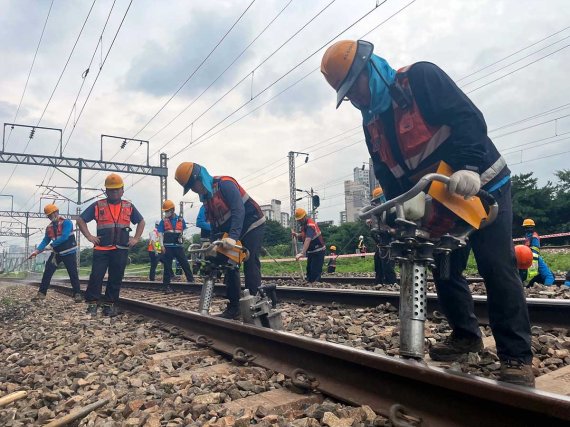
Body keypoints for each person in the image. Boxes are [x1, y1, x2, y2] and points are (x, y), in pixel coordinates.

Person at [321, 40, 534, 386]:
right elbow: (387, 172)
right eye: (347, 96)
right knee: (445, 271)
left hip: (483, 184)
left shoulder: (420, 79)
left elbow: (469, 119)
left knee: (497, 266)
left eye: (354, 88)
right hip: (442, 197)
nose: (354, 100)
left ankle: (516, 356)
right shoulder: (371, 121)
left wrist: (467, 167)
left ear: (369, 69)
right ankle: (466, 338)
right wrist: (398, 210)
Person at [174, 162, 266, 319]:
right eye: (190, 188)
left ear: (200, 178)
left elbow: (238, 210)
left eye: (193, 185)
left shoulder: (225, 184)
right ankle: (234, 307)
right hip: (232, 231)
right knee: (228, 265)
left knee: (249, 261)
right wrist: (212, 243)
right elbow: (215, 222)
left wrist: (233, 237)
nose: (194, 189)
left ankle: (255, 306)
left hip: (252, 224)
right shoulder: (206, 197)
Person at [77, 173, 145, 317]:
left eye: (117, 189)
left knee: (116, 277)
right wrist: (89, 236)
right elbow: (81, 219)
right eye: (111, 190)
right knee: (96, 276)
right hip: (102, 248)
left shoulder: (129, 206)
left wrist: (136, 238)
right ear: (106, 191)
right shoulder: (98, 205)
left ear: (122, 190)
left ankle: (109, 305)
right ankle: (92, 304)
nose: (114, 192)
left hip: (121, 248)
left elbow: (141, 221)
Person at [30, 204, 81, 302]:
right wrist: (36, 251)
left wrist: (52, 245)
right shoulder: (49, 227)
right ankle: (41, 294)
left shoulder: (67, 222)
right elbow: (45, 240)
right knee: (47, 272)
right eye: (48, 216)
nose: (50, 217)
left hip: (68, 252)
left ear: (56, 212)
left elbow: (65, 236)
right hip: (56, 254)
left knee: (73, 273)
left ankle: (77, 294)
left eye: (51, 214)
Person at [157, 199, 194, 292]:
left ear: (172, 210)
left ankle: (191, 281)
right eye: (165, 211)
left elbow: (185, 231)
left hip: (178, 246)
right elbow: (160, 233)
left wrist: (185, 238)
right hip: (168, 247)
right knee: (167, 267)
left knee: (185, 264)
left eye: (167, 211)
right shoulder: (163, 221)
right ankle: (166, 286)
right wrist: (161, 246)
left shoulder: (180, 220)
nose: (166, 213)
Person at [369, 187, 398, 286]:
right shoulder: (379, 212)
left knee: (387, 263)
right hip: (382, 237)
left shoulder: (392, 209)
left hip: (390, 238)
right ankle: (379, 282)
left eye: (378, 201)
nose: (376, 203)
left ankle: (392, 283)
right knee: (378, 259)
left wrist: (393, 230)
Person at [292, 208, 325, 283]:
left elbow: (308, 239)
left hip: (318, 251)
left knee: (314, 272)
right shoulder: (304, 225)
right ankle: (310, 285)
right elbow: (304, 235)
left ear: (304, 217)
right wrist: (297, 235)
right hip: (311, 251)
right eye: (298, 220)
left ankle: (315, 288)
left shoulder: (310, 224)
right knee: (309, 272)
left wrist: (302, 253)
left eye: (300, 219)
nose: (299, 221)